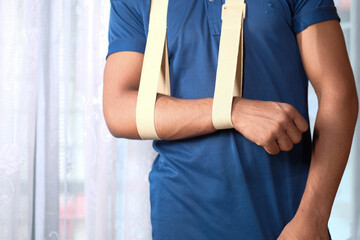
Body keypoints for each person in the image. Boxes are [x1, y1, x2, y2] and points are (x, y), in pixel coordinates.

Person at [103, 0, 359, 239]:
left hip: (286, 220)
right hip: (180, 218)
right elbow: (118, 109)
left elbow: (338, 93)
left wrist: (313, 218)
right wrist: (232, 111)